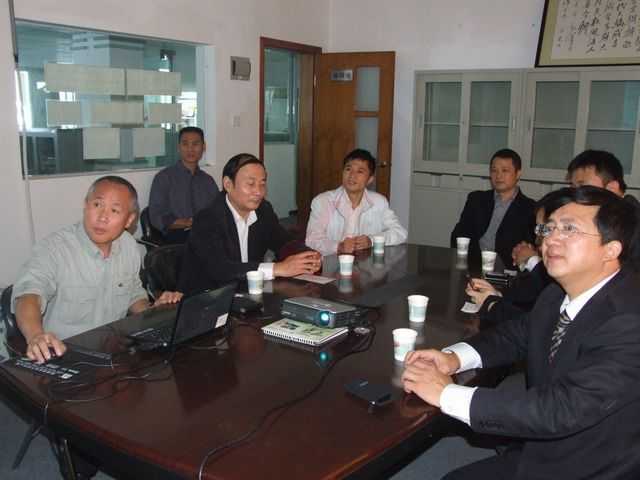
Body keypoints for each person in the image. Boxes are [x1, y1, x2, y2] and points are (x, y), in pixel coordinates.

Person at [402, 186, 640, 479]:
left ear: (611, 249)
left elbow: (560, 409)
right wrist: (454, 358)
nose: (550, 239)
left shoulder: (630, 320)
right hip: (546, 443)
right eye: (548, 228)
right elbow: (516, 335)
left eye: (569, 229)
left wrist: (446, 393)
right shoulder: (557, 293)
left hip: (591, 464)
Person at [11, 176, 182, 365]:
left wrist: (153, 312)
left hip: (113, 355)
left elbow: (133, 293)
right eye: (97, 205)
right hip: (64, 356)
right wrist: (35, 335)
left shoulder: (128, 246)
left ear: (129, 220)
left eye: (114, 210)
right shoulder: (54, 249)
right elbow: (29, 296)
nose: (102, 217)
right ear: (86, 206)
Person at [179, 154, 322, 295]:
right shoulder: (207, 218)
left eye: (262, 184)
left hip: (248, 292)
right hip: (207, 297)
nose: (258, 192)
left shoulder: (263, 210)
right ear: (228, 184)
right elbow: (221, 269)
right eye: (250, 184)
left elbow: (283, 241)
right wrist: (277, 268)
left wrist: (307, 256)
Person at [513, 149, 639, 270]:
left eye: (582, 187)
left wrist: (533, 261)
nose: (574, 194)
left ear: (611, 188)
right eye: (572, 187)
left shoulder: (633, 227)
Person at [305, 149, 407, 256]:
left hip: (366, 264)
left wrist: (371, 240)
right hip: (331, 262)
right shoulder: (323, 201)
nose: (352, 175)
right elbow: (312, 239)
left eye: (360, 171)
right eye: (348, 169)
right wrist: (338, 247)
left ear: (370, 179)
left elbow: (400, 233)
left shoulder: (379, 202)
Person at [450, 148, 536, 269]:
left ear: (518, 174)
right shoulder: (476, 199)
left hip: (506, 269)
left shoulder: (530, 208)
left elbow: (528, 248)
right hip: (473, 264)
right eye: (494, 170)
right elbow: (459, 234)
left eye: (505, 170)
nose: (498, 176)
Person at [148, 126, 219, 243]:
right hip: (177, 238)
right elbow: (157, 216)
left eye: (195, 144)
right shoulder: (164, 178)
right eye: (185, 144)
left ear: (203, 147)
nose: (190, 149)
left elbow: (218, 211)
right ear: (178, 147)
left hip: (206, 235)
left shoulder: (208, 181)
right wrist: (188, 223)